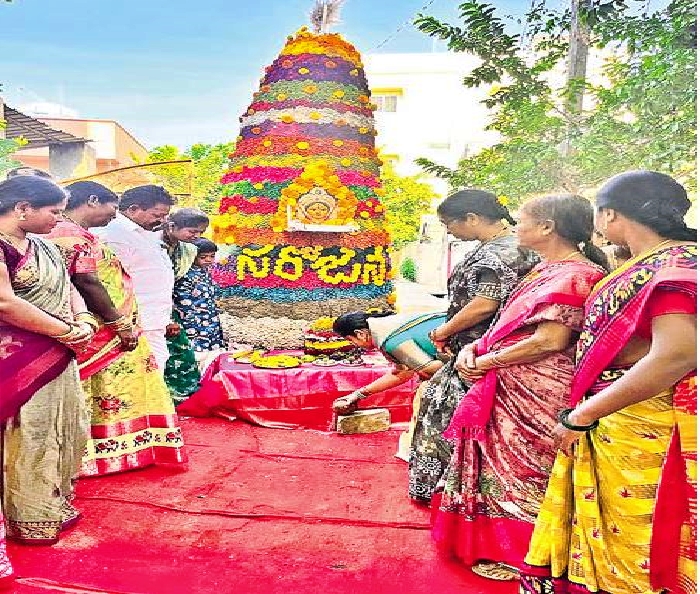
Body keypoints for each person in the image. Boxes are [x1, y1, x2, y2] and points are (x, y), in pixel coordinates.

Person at [521, 172, 697, 594]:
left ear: (609, 214)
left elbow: (678, 353)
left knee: (638, 531)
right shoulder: (659, 260)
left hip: (644, 420)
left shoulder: (672, 267)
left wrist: (583, 415)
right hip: (619, 412)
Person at [432, 194, 609, 581]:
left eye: (524, 219)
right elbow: (508, 325)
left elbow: (550, 340)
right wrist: (476, 349)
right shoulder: (546, 268)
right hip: (509, 380)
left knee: (528, 471)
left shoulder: (575, 274)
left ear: (547, 227)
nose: (516, 226)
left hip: (539, 388)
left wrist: (485, 361)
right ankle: (497, 543)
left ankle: (529, 552)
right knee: (501, 466)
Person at [45, 181, 186, 476]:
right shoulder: (69, 235)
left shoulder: (79, 234)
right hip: (98, 326)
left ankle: (116, 449)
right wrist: (119, 323)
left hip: (109, 323)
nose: (115, 213)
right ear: (93, 201)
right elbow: (86, 282)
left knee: (119, 385)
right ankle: (96, 454)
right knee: (107, 386)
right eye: (112, 207)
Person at [408, 190, 539, 503]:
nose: (448, 231)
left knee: (451, 418)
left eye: (448, 223)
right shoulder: (502, 246)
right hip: (480, 348)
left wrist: (444, 330)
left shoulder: (502, 251)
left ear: (472, 218)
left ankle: (452, 491)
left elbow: (484, 304)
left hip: (481, 352)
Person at [0, 176, 94, 549]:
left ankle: (51, 503)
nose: (60, 219)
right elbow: (4, 302)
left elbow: (69, 286)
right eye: (54, 211)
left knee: (66, 425)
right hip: (18, 358)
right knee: (28, 433)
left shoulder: (44, 246)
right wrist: (65, 331)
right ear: (23, 208)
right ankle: (25, 515)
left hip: (57, 354)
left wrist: (84, 319)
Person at [92, 185, 175, 371]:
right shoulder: (113, 233)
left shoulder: (145, 232)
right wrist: (121, 323)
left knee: (155, 367)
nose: (162, 221)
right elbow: (110, 282)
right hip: (134, 321)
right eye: (157, 215)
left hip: (153, 317)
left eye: (164, 216)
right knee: (142, 373)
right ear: (133, 209)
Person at [161, 208, 209, 404]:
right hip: (153, 305)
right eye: (192, 231)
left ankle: (183, 394)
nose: (196, 236)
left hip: (171, 305)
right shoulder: (154, 244)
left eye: (200, 233)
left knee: (180, 350)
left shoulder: (188, 250)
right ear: (172, 226)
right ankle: (166, 396)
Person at [173, 237, 226, 372]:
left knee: (212, 355)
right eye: (203, 257)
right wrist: (191, 327)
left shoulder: (204, 272)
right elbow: (184, 305)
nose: (208, 260)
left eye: (212, 256)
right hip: (194, 324)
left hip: (210, 320)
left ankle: (209, 383)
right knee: (197, 357)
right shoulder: (184, 276)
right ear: (191, 256)